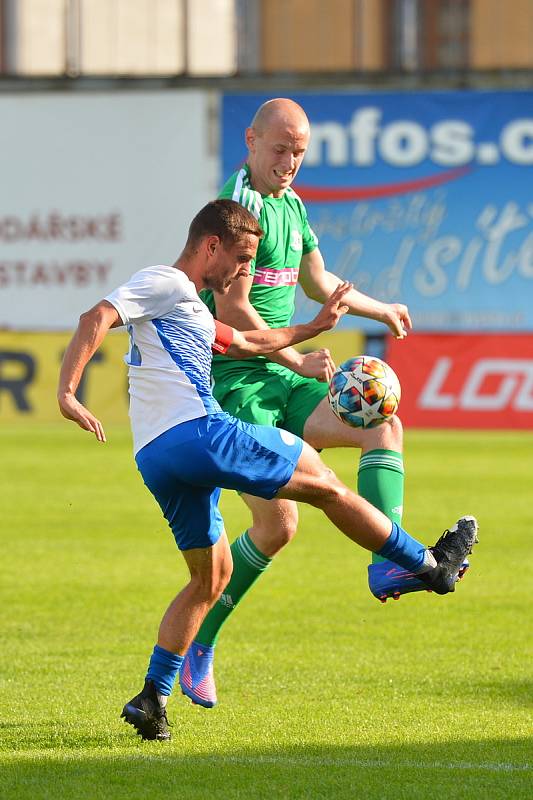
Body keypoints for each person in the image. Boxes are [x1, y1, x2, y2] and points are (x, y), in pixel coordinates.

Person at [58, 199, 477, 741]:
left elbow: (251, 341)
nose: (243, 273)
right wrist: (67, 391)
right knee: (325, 484)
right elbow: (98, 316)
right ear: (211, 245)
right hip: (199, 435)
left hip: (158, 457)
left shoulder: (189, 307)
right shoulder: (163, 281)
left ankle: (152, 697)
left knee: (211, 578)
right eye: (240, 258)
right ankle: (427, 564)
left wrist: (314, 327)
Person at [179, 98, 470, 708]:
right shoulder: (238, 210)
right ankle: (200, 643)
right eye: (280, 149)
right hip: (236, 387)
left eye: (299, 152)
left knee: (381, 426)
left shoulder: (290, 205)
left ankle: (389, 560)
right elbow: (231, 312)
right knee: (278, 526)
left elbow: (316, 278)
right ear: (252, 141)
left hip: (284, 379)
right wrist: (295, 355)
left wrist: (379, 306)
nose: (289, 162)